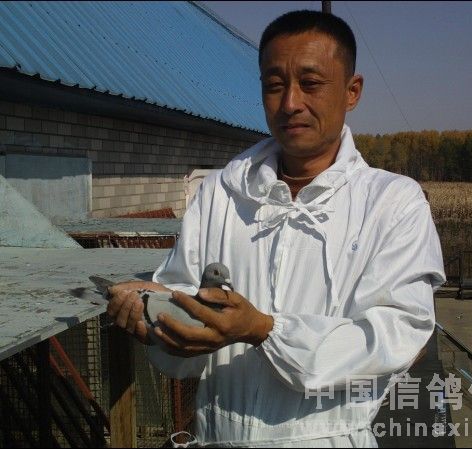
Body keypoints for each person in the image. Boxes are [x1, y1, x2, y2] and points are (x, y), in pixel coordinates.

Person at [107, 10, 445, 448]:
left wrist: (265, 330)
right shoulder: (221, 193)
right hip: (218, 436)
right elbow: (183, 297)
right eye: (274, 85)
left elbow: (398, 335)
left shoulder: (392, 203)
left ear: (352, 91)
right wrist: (156, 314)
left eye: (311, 83)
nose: (290, 103)